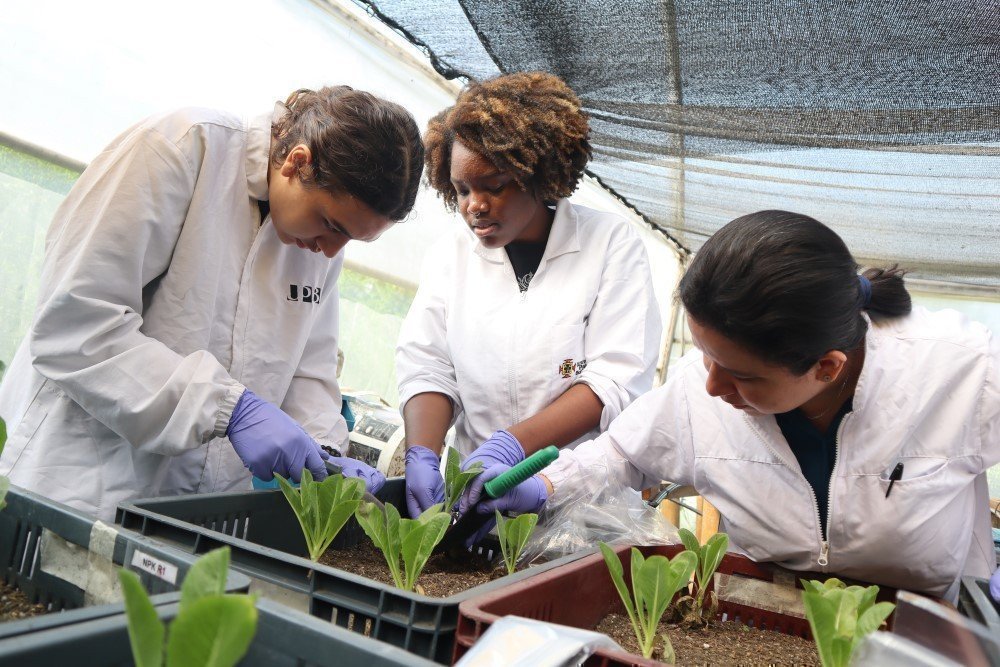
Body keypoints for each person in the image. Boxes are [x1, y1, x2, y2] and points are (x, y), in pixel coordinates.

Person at [463, 210, 999, 599]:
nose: (712, 385)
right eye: (704, 355)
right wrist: (540, 488)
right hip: (770, 618)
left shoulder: (959, 371)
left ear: (826, 367)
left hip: (919, 634)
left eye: (742, 375)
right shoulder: (702, 388)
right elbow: (620, 456)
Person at [0, 86, 424, 520]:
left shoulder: (317, 240)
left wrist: (325, 450)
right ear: (298, 162)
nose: (332, 251)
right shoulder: (182, 149)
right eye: (331, 224)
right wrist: (228, 407)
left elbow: (308, 368)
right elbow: (76, 324)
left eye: (350, 238)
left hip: (205, 513)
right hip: (79, 487)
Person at [396, 72, 661, 519]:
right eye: (462, 190)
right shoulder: (451, 256)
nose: (474, 205)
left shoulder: (609, 245)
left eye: (494, 186)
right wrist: (421, 453)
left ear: (537, 175)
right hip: (475, 495)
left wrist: (513, 444)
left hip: (579, 498)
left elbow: (614, 377)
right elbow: (429, 363)